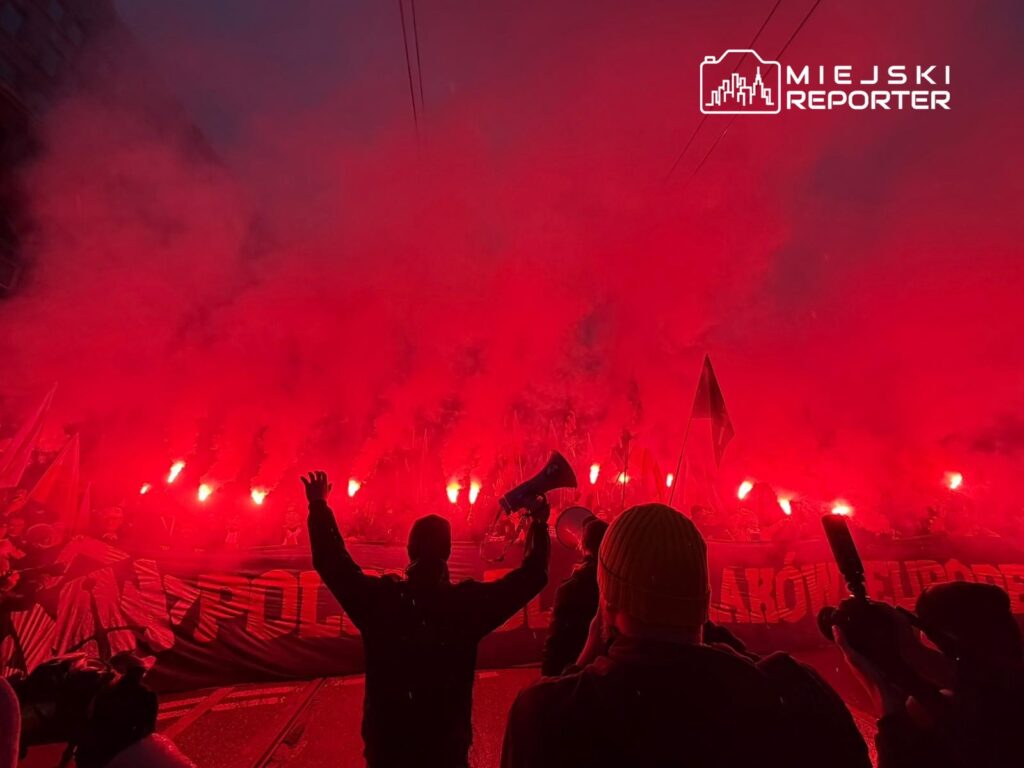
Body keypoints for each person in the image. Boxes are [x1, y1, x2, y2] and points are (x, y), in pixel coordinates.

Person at [502, 503, 869, 768]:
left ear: (607, 604)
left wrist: (583, 659)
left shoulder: (546, 714)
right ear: (704, 599)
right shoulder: (793, 694)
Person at [302, 470, 550, 768]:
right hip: (445, 752)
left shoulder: (383, 600)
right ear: (447, 552)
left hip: (388, 753)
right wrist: (538, 525)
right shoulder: (464, 605)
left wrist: (319, 506)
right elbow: (532, 577)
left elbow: (332, 563)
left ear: (409, 551)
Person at [837, 581, 1024, 768]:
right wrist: (913, 657)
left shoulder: (968, 725)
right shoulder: (1002, 694)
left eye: (921, 628)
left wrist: (887, 707)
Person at [540, 517, 607, 676]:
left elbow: (555, 642)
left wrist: (548, 678)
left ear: (582, 544)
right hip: (606, 668)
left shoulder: (570, 588)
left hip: (573, 667)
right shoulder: (616, 585)